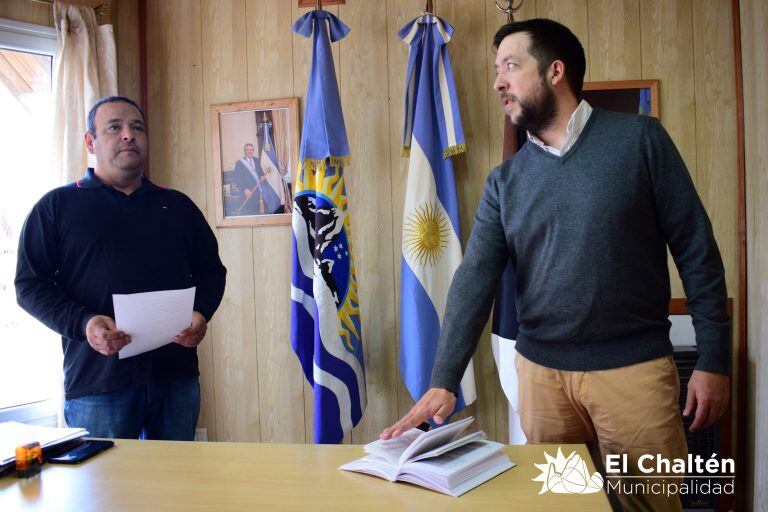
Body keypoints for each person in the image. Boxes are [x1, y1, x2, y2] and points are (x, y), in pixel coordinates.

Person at [380, 19, 730, 512]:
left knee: (647, 508)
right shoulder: (506, 182)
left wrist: (714, 358)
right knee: (563, 506)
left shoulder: (641, 141)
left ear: (555, 72)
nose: (498, 81)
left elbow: (697, 250)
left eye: (511, 66)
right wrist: (443, 378)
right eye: (496, 69)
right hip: (543, 385)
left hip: (633, 377)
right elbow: (474, 279)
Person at [15, 96, 227, 441]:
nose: (128, 135)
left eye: (137, 127)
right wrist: (83, 323)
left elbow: (212, 272)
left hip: (176, 376)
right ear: (90, 141)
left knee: (176, 488)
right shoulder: (57, 207)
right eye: (115, 127)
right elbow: (29, 285)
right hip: (98, 382)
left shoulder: (177, 205)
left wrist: (201, 313)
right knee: (106, 492)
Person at [233, 142, 281, 215]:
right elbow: (238, 178)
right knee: (249, 213)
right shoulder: (239, 163)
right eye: (248, 150)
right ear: (245, 151)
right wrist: (244, 189)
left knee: (258, 212)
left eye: (251, 150)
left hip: (258, 191)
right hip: (247, 192)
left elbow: (261, 173)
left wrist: (262, 176)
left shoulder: (258, 161)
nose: (249, 151)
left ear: (253, 150)